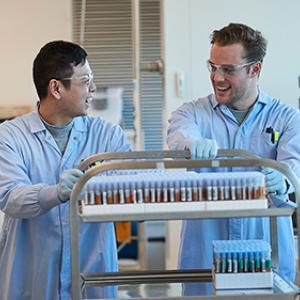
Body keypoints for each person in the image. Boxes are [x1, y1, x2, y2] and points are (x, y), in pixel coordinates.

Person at [167, 23, 300, 294]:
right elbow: (179, 133)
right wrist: (191, 143)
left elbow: (294, 167)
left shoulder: (287, 118)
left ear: (255, 69)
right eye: (212, 67)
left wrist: (284, 178)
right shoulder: (193, 113)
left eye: (228, 69)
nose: (217, 77)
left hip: (267, 253)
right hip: (205, 255)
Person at [0, 41, 131, 299]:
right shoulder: (10, 136)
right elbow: (9, 196)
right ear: (56, 88)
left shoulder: (107, 136)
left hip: (92, 274)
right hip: (31, 278)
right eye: (85, 80)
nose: (93, 88)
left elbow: (131, 188)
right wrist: (55, 193)